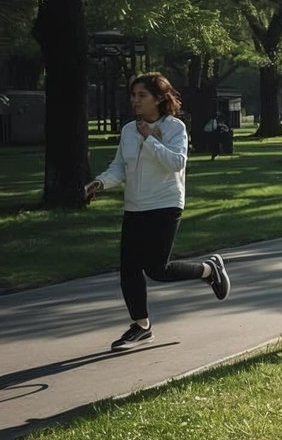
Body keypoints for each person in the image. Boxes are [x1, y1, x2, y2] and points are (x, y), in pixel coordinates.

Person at [86, 73, 232, 351]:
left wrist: (151, 139)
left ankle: (208, 270)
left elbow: (177, 163)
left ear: (158, 98)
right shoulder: (129, 130)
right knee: (129, 269)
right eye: (133, 95)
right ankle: (141, 326)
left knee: (157, 269)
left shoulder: (174, 127)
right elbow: (120, 167)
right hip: (134, 207)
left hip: (165, 205)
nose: (135, 100)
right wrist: (100, 183)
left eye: (142, 95)